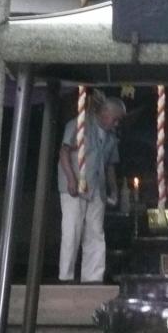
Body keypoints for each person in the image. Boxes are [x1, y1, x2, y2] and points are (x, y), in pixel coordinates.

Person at [58, 95, 124, 283]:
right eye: (115, 119)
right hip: (75, 186)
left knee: (96, 233)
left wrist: (113, 190)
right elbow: (64, 152)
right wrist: (71, 179)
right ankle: (66, 277)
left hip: (97, 188)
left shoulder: (111, 137)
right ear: (105, 113)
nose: (117, 123)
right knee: (72, 230)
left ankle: (93, 278)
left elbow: (110, 166)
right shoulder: (79, 124)